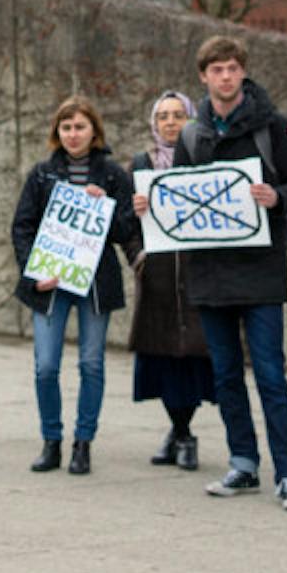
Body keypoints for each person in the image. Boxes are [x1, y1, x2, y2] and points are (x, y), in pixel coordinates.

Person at [136, 35, 287, 512]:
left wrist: (278, 197)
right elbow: (176, 199)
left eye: (233, 68)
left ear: (243, 73)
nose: (226, 76)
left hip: (260, 271)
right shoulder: (193, 136)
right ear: (203, 77)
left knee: (271, 375)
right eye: (217, 70)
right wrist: (148, 206)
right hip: (210, 273)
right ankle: (243, 462)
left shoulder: (276, 128)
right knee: (225, 376)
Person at [9, 96, 138, 476]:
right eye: (66, 128)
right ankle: (52, 441)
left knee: (91, 363)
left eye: (80, 127)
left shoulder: (113, 175)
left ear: (94, 131)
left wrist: (108, 204)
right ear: (57, 132)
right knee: (46, 366)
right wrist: (34, 273)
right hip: (50, 283)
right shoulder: (41, 174)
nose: (73, 134)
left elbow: (127, 229)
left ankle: (84, 443)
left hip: (95, 282)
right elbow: (23, 227)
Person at [128, 91, 213, 471]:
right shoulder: (141, 165)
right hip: (159, 279)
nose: (171, 122)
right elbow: (125, 225)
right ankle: (180, 434)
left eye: (179, 115)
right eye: (163, 116)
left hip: (197, 276)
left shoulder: (206, 162)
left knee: (192, 359)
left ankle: (183, 434)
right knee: (162, 360)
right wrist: (138, 257)